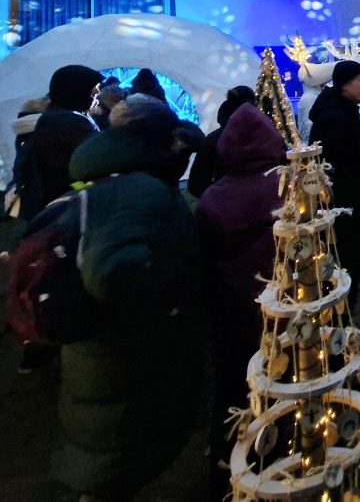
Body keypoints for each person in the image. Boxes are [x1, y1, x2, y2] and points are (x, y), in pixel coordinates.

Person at [43, 94, 204, 501]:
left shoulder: (103, 174)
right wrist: (169, 308)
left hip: (98, 352)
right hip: (122, 353)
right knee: (115, 456)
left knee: (104, 445)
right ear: (155, 140)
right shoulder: (136, 189)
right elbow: (115, 273)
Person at [195, 103, 284, 500]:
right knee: (286, 376)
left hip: (234, 308)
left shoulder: (214, 198)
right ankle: (288, 452)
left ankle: (228, 468)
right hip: (285, 303)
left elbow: (206, 257)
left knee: (235, 385)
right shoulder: (287, 184)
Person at [308, 60, 360, 307]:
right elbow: (333, 169)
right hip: (344, 209)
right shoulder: (334, 118)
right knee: (344, 269)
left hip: (351, 205)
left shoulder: (344, 112)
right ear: (344, 85)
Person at [30, 65, 104, 214]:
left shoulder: (53, 114)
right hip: (72, 196)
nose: (97, 92)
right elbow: (95, 161)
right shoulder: (72, 122)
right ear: (77, 90)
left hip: (57, 194)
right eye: (93, 88)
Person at [186, 85, 257, 198]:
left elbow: (196, 185)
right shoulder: (265, 135)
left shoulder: (212, 139)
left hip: (224, 206)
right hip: (262, 206)